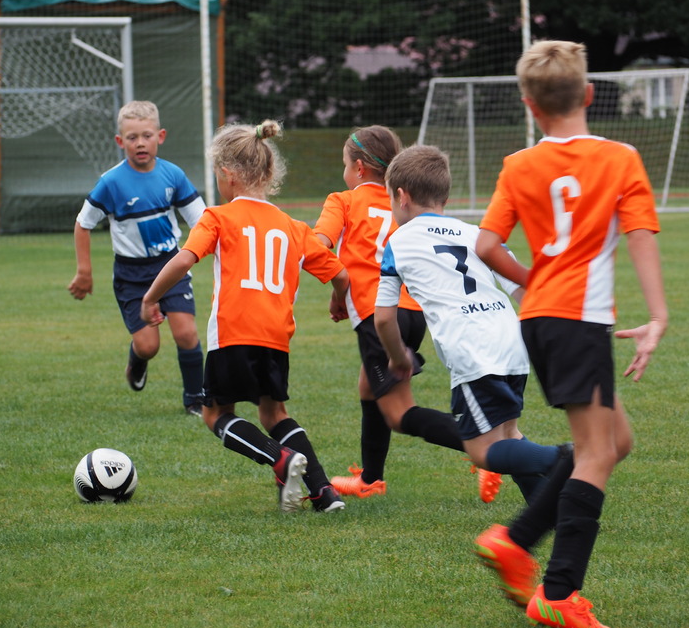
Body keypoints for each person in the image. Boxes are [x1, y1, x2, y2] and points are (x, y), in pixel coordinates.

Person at [473, 40, 668, 628]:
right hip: (579, 320)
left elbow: (487, 245)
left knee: (615, 441)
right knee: (597, 453)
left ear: (529, 105)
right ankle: (557, 595)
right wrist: (657, 315)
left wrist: (534, 279)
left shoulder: (519, 164)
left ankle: (515, 540)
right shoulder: (620, 158)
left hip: (540, 319)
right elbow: (640, 236)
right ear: (588, 94)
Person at [140, 120, 349, 513]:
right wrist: (338, 300)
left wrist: (151, 297)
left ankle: (280, 459)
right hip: (276, 336)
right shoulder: (294, 227)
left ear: (227, 174)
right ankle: (324, 493)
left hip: (233, 332)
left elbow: (184, 260)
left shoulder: (218, 217)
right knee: (274, 413)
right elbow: (340, 274)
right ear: (269, 174)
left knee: (215, 414)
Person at [313, 126, 501, 502]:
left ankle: (489, 448)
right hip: (414, 312)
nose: (345, 172)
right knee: (368, 386)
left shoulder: (343, 201)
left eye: (345, 165)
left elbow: (318, 246)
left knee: (400, 414)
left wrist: (339, 288)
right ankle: (371, 479)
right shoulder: (402, 201)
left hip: (379, 315)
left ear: (359, 168)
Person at [374, 144, 564, 506]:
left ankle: (566, 458)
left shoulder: (398, 242)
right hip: (511, 339)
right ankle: (550, 512)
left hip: (472, 348)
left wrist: (398, 358)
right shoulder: (476, 234)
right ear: (444, 197)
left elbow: (384, 317)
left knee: (482, 451)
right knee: (508, 433)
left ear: (401, 196)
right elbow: (524, 289)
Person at [68, 100, 206, 415]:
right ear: (120, 141)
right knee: (149, 345)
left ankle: (195, 399)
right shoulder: (111, 182)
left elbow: (201, 220)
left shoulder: (173, 175)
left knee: (186, 333)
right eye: (132, 138)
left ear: (161, 136)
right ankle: (137, 359)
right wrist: (84, 271)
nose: (140, 143)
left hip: (170, 266)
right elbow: (83, 224)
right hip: (131, 275)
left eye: (147, 136)